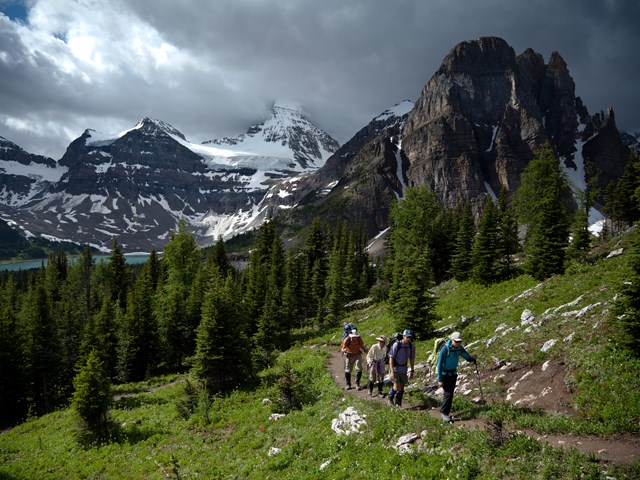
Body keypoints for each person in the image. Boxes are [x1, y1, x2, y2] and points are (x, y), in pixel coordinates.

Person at [437, 331, 477, 423]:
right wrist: (440, 379)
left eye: (460, 341)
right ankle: (444, 413)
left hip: (453, 374)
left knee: (450, 393)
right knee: (448, 393)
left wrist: (472, 358)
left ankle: (445, 412)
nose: (458, 343)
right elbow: (439, 365)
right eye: (456, 341)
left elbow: (466, 357)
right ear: (452, 340)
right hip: (445, 374)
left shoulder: (459, 348)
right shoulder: (445, 349)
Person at [387, 329, 416, 406]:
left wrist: (412, 370)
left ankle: (398, 403)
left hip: (404, 369)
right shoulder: (397, 345)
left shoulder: (411, 346)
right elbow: (391, 358)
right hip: (396, 368)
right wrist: (392, 371)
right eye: (407, 337)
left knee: (402, 388)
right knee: (396, 387)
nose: (408, 339)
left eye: (410, 337)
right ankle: (390, 398)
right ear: (403, 336)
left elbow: (412, 358)